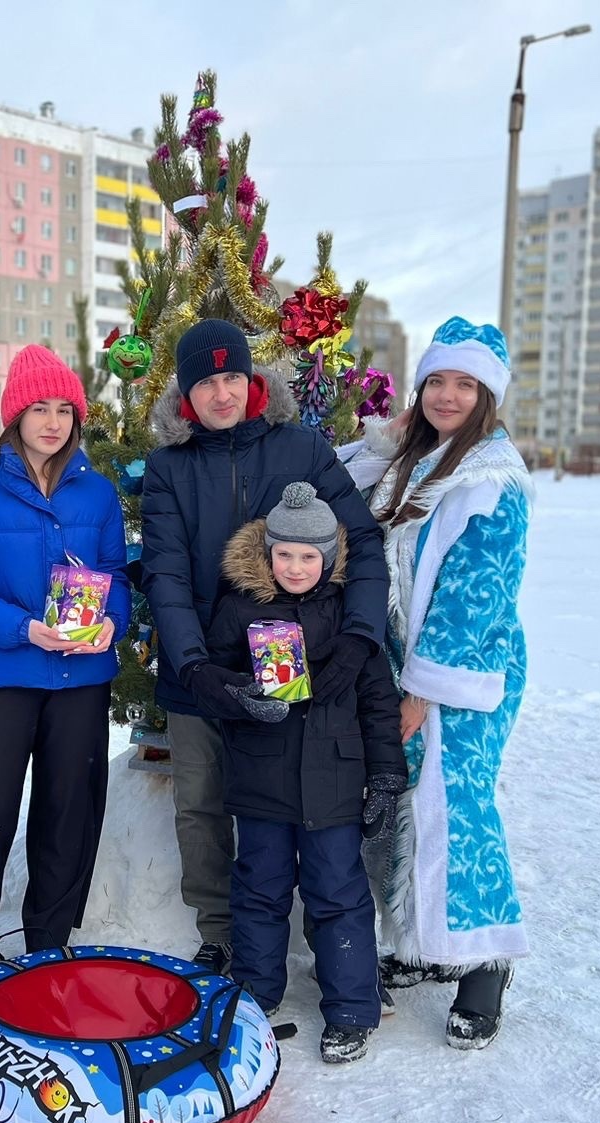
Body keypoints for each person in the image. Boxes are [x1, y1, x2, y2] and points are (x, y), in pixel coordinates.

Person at [140, 317, 388, 974]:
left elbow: (360, 541)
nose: (221, 394)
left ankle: (319, 941)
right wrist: (194, 668)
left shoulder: (301, 447)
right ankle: (221, 929)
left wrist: (359, 639)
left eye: (232, 376)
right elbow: (163, 569)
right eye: (206, 382)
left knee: (291, 799)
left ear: (250, 378)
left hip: (297, 671)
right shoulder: (169, 467)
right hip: (204, 671)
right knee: (200, 799)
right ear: (184, 394)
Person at [351, 317, 533, 1051]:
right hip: (397, 667)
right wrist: (385, 439)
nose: (448, 396)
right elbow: (341, 483)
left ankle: (486, 962)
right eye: (438, 381)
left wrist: (424, 688)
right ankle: (419, 942)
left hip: (461, 673)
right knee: (401, 806)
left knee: (458, 809)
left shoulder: (494, 479)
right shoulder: (415, 459)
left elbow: (478, 592)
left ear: (486, 395)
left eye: (465, 384)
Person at [0, 345, 129, 979]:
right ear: (15, 415)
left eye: (65, 409)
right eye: (40, 407)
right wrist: (24, 628)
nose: (53, 421)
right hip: (6, 674)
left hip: (82, 680)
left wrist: (110, 622)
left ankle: (49, 941)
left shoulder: (96, 492)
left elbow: (116, 575)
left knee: (70, 809)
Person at [206, 482, 406, 1063]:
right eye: (284, 554)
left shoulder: (349, 618)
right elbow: (214, 679)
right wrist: (242, 695)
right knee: (259, 890)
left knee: (338, 895)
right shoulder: (239, 606)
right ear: (267, 553)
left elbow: (378, 702)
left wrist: (386, 776)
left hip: (334, 782)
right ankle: (256, 993)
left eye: (308, 556)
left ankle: (351, 1009)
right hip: (262, 780)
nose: (295, 567)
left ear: (329, 558)